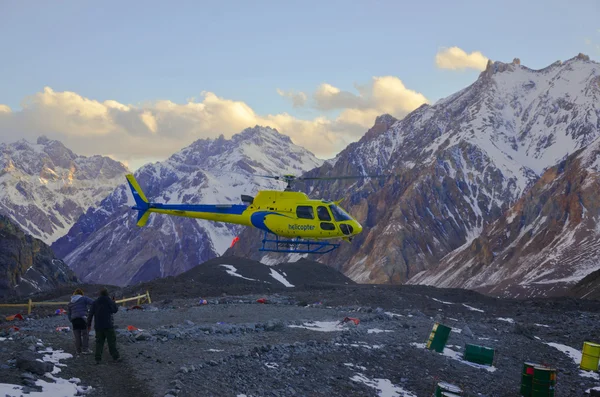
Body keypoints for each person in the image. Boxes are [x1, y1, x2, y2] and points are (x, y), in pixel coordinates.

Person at [87, 288, 121, 364]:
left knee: (99, 343)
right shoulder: (109, 301)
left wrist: (88, 325)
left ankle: (97, 359)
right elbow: (115, 310)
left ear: (100, 294)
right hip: (108, 325)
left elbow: (90, 314)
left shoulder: (95, 302)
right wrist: (114, 302)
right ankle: (115, 357)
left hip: (98, 326)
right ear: (107, 293)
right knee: (111, 342)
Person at [67, 288, 94, 355]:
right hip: (82, 318)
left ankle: (78, 350)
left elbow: (69, 313)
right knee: (85, 334)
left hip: (74, 320)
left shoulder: (70, 302)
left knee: (77, 336)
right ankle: (85, 349)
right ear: (81, 294)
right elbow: (93, 302)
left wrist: (71, 320)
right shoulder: (84, 298)